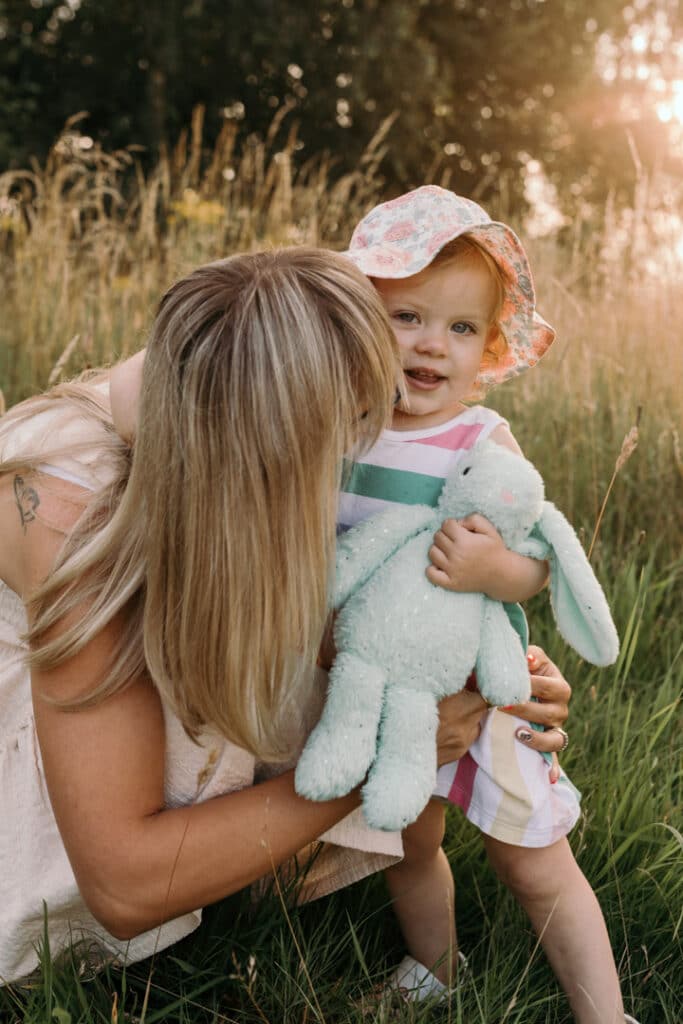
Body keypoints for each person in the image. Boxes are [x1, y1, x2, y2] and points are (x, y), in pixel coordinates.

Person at [0, 247, 574, 991]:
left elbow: (310, 612)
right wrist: (388, 754)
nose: (365, 437)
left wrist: (482, 672)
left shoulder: (250, 347)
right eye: (354, 421)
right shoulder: (72, 517)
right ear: (262, 443)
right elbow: (123, 888)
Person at [338, 186, 638, 1024]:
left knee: (533, 858)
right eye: (407, 317)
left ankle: (604, 1013)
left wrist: (490, 569)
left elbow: (538, 565)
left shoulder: (479, 440)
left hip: (480, 683)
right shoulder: (339, 429)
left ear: (488, 349)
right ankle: (435, 965)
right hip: (385, 681)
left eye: (461, 328)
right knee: (406, 841)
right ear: (361, 318)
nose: (432, 344)